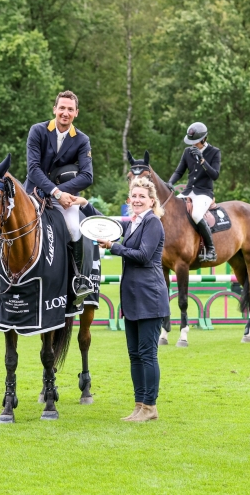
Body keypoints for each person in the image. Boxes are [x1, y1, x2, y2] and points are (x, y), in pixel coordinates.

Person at [74, 177, 169, 422]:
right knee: (135, 355)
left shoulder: (152, 223)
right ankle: (140, 405)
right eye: (133, 196)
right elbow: (106, 225)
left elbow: (144, 255)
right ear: (129, 200)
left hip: (150, 298)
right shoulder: (134, 223)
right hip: (133, 299)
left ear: (151, 200)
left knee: (148, 354)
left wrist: (114, 247)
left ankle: (150, 406)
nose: (137, 200)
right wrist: (85, 205)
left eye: (142, 197)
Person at [24, 90, 94, 304]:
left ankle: (79, 280)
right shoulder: (38, 131)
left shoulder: (82, 140)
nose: (65, 113)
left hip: (66, 198)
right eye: (61, 108)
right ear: (55, 109)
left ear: (76, 113)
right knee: (10, 218)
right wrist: (55, 192)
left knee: (74, 228)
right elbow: (33, 168)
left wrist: (62, 193)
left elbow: (87, 176)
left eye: (70, 109)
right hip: (35, 192)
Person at [167, 121, 221, 262]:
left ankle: (211, 250)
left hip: (204, 193)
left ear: (204, 139)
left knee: (196, 214)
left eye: (196, 141)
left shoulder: (214, 152)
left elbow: (215, 175)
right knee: (171, 209)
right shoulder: (187, 152)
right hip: (188, 191)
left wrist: (203, 160)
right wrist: (171, 182)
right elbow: (179, 171)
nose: (193, 144)